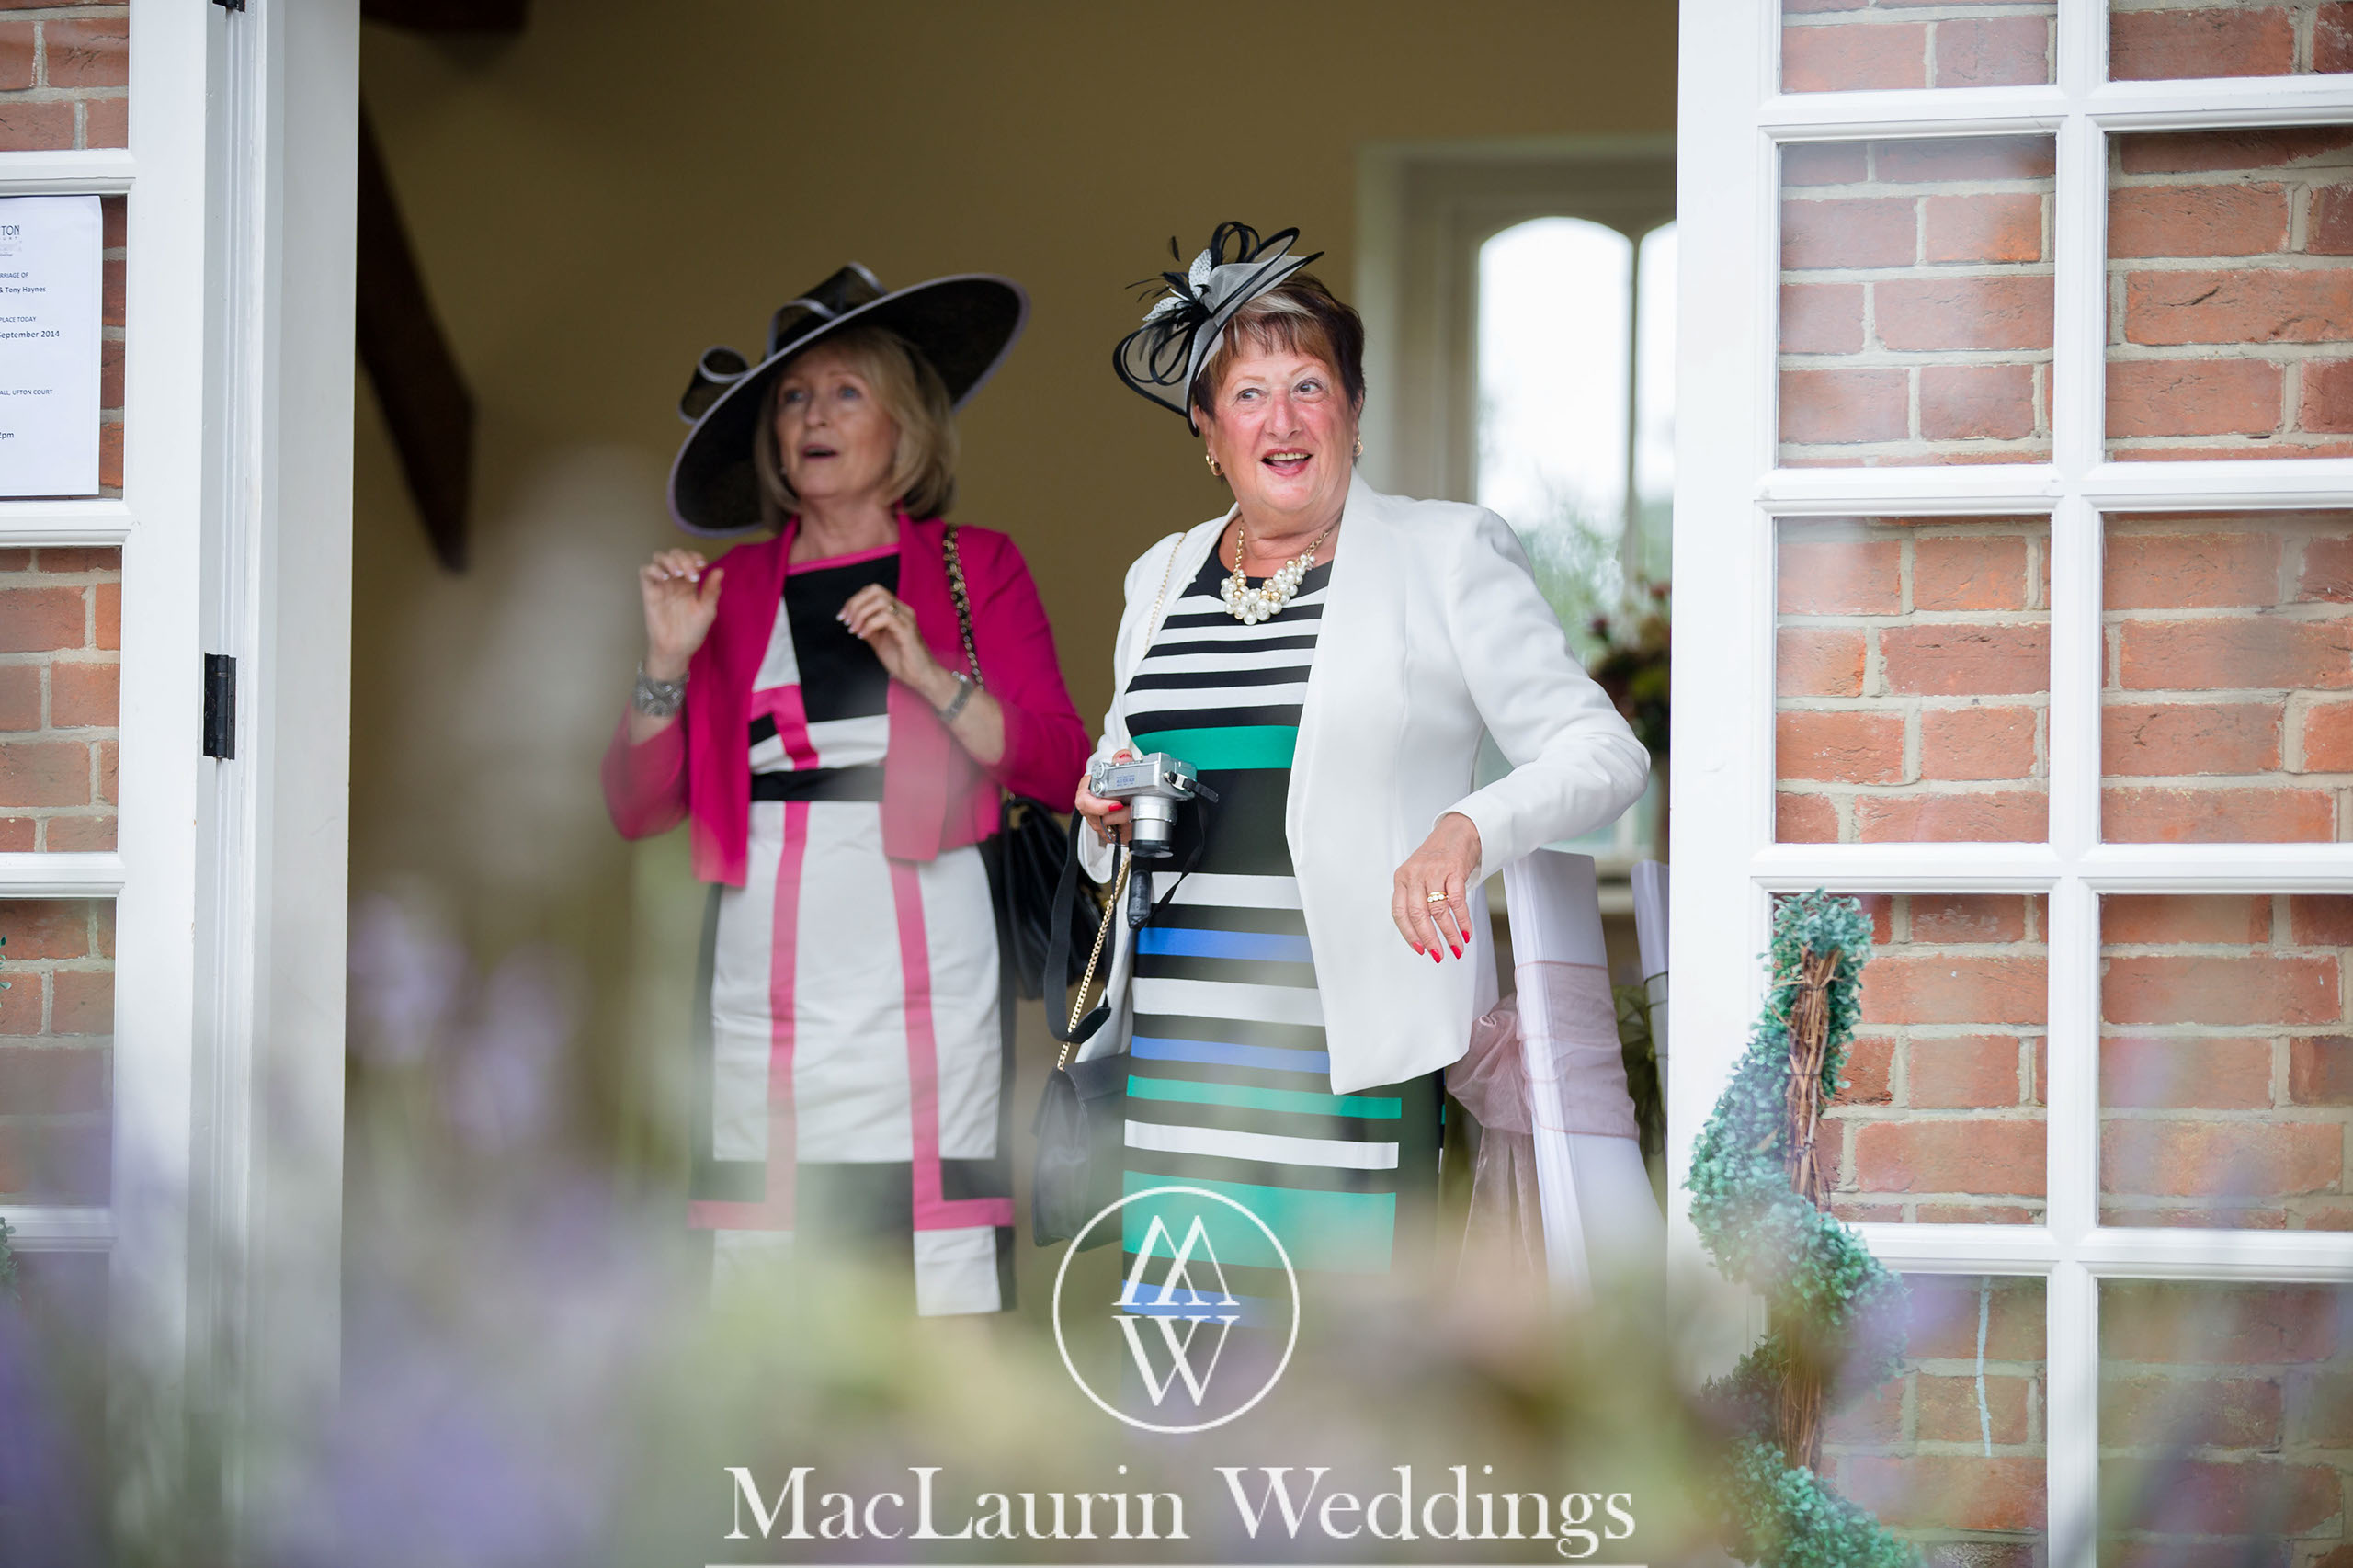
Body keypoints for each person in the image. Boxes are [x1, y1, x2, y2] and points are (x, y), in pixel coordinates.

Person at [1074, 224, 1651, 1303]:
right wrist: (1099, 811)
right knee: (1187, 1367)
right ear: (1207, 428)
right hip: (1180, 1057)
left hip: (1350, 1058)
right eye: (1249, 394)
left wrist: (1464, 829)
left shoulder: (1444, 554)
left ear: (1351, 407)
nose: (1283, 419)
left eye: (1309, 385)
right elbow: (1119, 770)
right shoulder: (1158, 575)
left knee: (1353, 1374)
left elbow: (1602, 750)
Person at [604, 263, 1089, 1314]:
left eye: (844, 392)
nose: (811, 416)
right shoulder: (720, 590)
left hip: (931, 968)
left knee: (937, 1254)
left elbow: (1059, 765)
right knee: (762, 1272)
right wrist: (664, 662)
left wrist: (930, 676)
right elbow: (637, 807)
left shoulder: (975, 565)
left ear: (903, 425)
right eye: (791, 397)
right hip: (764, 969)